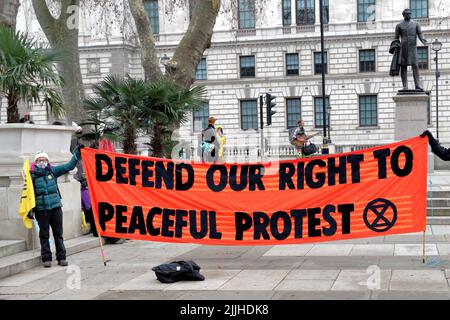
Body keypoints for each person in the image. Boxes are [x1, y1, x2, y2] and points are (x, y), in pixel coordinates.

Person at [30, 145, 83, 268]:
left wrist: (76, 155)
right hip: (41, 209)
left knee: (58, 233)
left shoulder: (52, 171)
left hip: (55, 208)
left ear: (47, 161)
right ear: (36, 162)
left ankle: (61, 257)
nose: (41, 162)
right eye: (39, 160)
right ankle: (46, 258)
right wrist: (29, 209)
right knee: (44, 235)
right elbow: (28, 194)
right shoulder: (31, 176)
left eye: (44, 160)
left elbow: (68, 166)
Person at [394, 8, 428, 91]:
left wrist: (423, 39)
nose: (409, 15)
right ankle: (405, 86)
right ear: (404, 15)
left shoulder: (416, 24)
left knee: (415, 66)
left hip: (413, 47)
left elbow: (420, 33)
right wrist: (395, 46)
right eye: (407, 14)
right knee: (403, 67)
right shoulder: (399, 25)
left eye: (410, 13)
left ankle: (417, 85)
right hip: (403, 48)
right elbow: (396, 38)